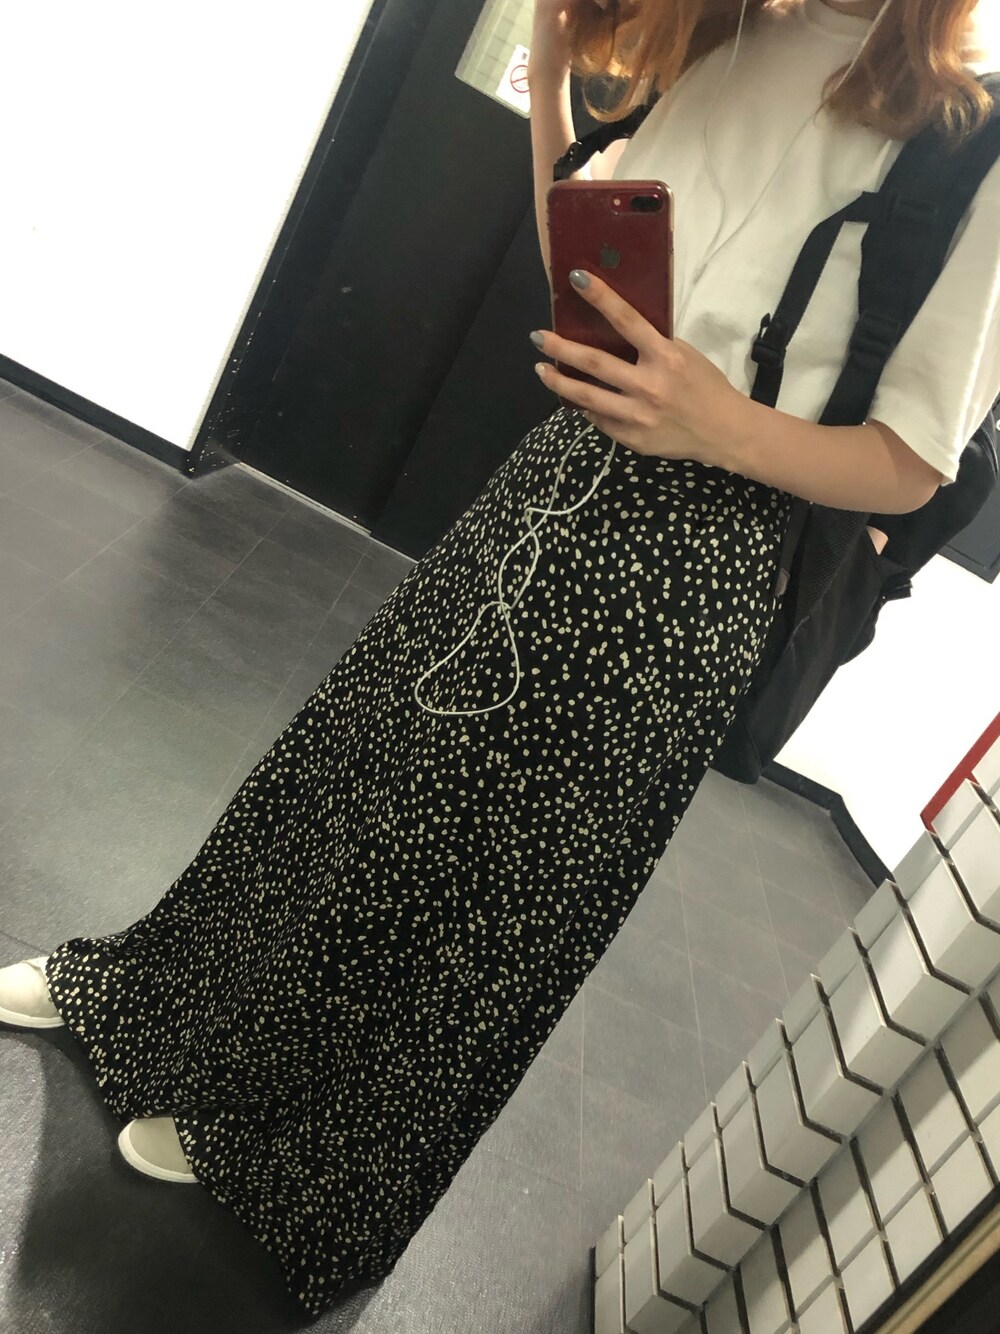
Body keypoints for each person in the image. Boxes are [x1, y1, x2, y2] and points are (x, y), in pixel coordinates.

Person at [2, 0, 998, 1319]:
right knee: (350, 764)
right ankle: (156, 1006)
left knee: (489, 896)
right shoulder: (725, 35)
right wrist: (554, 81)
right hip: (555, 480)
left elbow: (915, 463)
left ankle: (295, 1162)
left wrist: (717, 423)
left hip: (698, 567)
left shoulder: (964, 142)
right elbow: (587, 289)